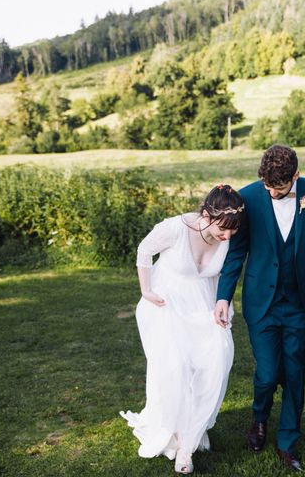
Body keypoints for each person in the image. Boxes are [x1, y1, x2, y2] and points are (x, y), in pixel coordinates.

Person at [214, 144, 305, 472]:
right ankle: (259, 418)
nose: (273, 193)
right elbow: (237, 252)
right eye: (268, 187)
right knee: (267, 372)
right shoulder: (250, 197)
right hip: (262, 304)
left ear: (296, 177)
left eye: (280, 188)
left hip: (300, 304)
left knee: (294, 372)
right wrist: (223, 296)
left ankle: (287, 442)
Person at [120, 184, 245, 475]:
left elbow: (222, 274)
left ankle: (193, 431)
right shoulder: (175, 228)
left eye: (232, 231)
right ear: (206, 214)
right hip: (167, 306)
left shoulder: (226, 234)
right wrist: (146, 290)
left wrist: (222, 304)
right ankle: (182, 447)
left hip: (204, 307)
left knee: (217, 360)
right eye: (222, 229)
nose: (227, 236)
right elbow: (144, 250)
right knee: (175, 369)